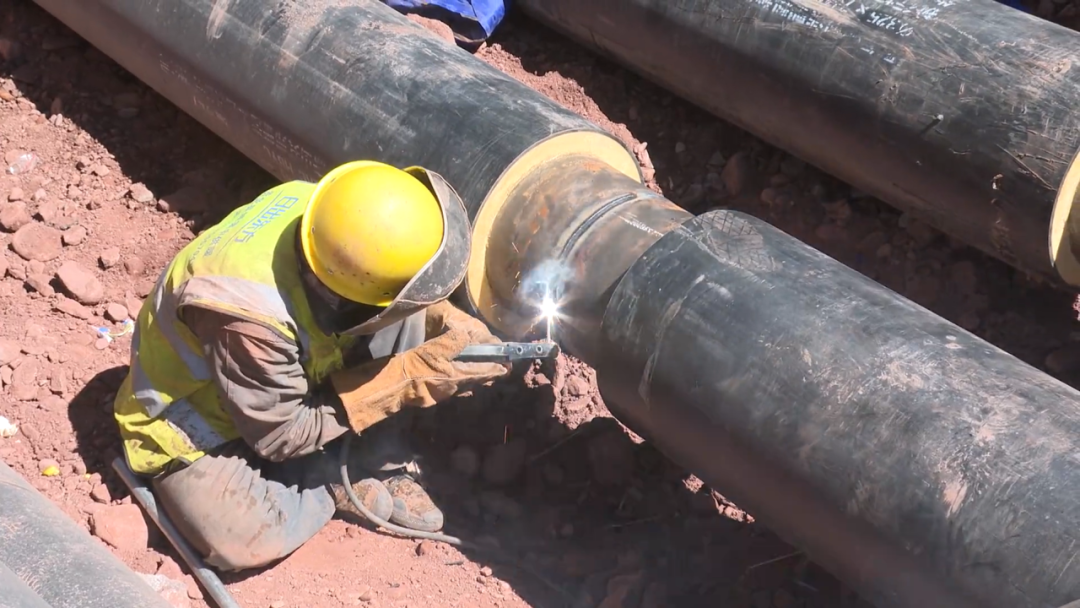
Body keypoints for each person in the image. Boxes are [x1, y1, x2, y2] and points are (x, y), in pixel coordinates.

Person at [111, 160, 509, 571]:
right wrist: (406, 378)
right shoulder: (246, 315)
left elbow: (387, 276)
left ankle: (375, 461)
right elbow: (281, 435)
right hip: (200, 422)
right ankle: (328, 482)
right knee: (240, 540)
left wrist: (437, 314)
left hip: (282, 365)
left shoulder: (332, 215)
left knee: (401, 311)